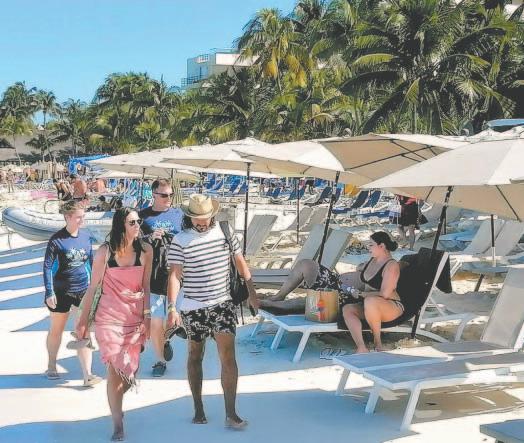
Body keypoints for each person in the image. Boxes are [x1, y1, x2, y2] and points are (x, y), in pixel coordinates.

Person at [166, 194, 258, 428]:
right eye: (196, 218)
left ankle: (231, 414)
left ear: (212, 215)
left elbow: (240, 262)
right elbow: (175, 275)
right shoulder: (180, 240)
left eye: (205, 218)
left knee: (228, 356)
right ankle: (198, 408)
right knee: (195, 355)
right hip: (193, 306)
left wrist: (252, 293)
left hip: (222, 304)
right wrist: (172, 307)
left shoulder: (225, 232)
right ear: (189, 217)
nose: (201, 222)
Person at [76, 208, 152, 442]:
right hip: (108, 318)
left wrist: (147, 316)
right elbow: (92, 288)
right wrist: (82, 321)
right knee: (114, 369)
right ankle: (118, 424)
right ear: (121, 225)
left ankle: (116, 402)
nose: (137, 225)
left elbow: (146, 286)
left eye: (139, 221)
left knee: (130, 371)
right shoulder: (104, 252)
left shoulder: (146, 251)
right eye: (132, 222)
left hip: (134, 318)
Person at [259, 231, 403, 353]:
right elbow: (362, 270)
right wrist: (359, 271)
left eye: (371, 244)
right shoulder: (373, 260)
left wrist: (361, 294)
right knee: (305, 264)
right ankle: (278, 297)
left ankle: (274, 305)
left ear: (382, 246)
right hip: (346, 290)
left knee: (318, 300)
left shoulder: (391, 266)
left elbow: (384, 294)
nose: (367, 247)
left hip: (374, 301)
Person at [42, 200, 100, 386]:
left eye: (83, 217)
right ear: (67, 217)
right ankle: (52, 365)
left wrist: (95, 288)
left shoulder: (86, 237)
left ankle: (88, 374)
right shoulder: (57, 240)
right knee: (56, 330)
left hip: (82, 291)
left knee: (83, 330)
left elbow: (91, 264)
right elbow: (47, 267)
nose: (82, 220)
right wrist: (49, 292)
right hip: (60, 292)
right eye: (78, 217)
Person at [139, 178, 184, 377]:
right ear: (154, 195)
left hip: (176, 274)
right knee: (156, 321)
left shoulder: (179, 215)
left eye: (171, 195)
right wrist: (148, 238)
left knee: (172, 319)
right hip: (154, 275)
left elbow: (189, 239)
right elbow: (132, 243)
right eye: (164, 195)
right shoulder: (142, 216)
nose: (168, 198)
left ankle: (165, 340)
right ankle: (159, 360)